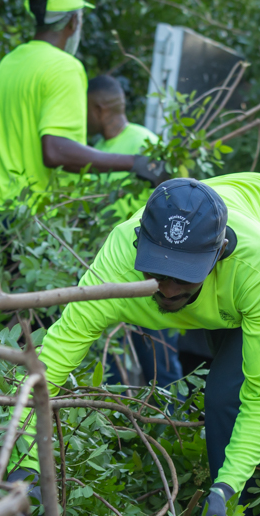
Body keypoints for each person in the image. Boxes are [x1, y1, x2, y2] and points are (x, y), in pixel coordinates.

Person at [15, 173, 260, 516]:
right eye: (156, 272)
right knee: (251, 390)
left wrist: (225, 489)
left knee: (232, 394)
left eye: (184, 275)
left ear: (218, 255)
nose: (168, 290)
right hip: (232, 264)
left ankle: (256, 509)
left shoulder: (256, 267)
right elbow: (52, 360)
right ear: (139, 244)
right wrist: (26, 461)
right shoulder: (118, 259)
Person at [0, 0, 165, 214]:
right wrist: (134, 163)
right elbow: (56, 151)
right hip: (30, 219)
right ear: (74, 21)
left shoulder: (9, 62)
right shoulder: (64, 67)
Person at [85, 75, 184, 390]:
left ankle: (172, 427)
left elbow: (180, 201)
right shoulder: (98, 151)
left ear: (99, 109)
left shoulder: (143, 143)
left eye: (84, 108)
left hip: (149, 275)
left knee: (161, 364)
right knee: (110, 362)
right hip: (111, 271)